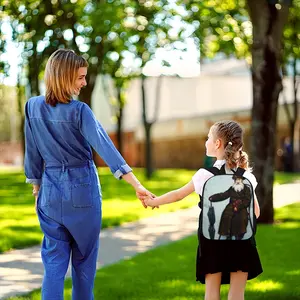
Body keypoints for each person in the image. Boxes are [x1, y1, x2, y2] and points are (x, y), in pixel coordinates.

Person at [24, 49, 153, 300]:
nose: (84, 83)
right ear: (64, 77)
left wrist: (37, 189)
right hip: (82, 191)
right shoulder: (79, 111)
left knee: (53, 265)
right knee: (83, 264)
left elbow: (32, 153)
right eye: (80, 77)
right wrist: (136, 184)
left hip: (49, 194)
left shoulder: (32, 107)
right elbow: (107, 148)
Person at [145, 120, 262, 300]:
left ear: (217, 144)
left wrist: (154, 202)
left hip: (212, 242)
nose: (206, 142)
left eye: (208, 138)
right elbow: (256, 212)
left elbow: (178, 195)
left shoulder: (205, 175)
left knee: (211, 294)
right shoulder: (246, 176)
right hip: (241, 241)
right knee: (237, 295)